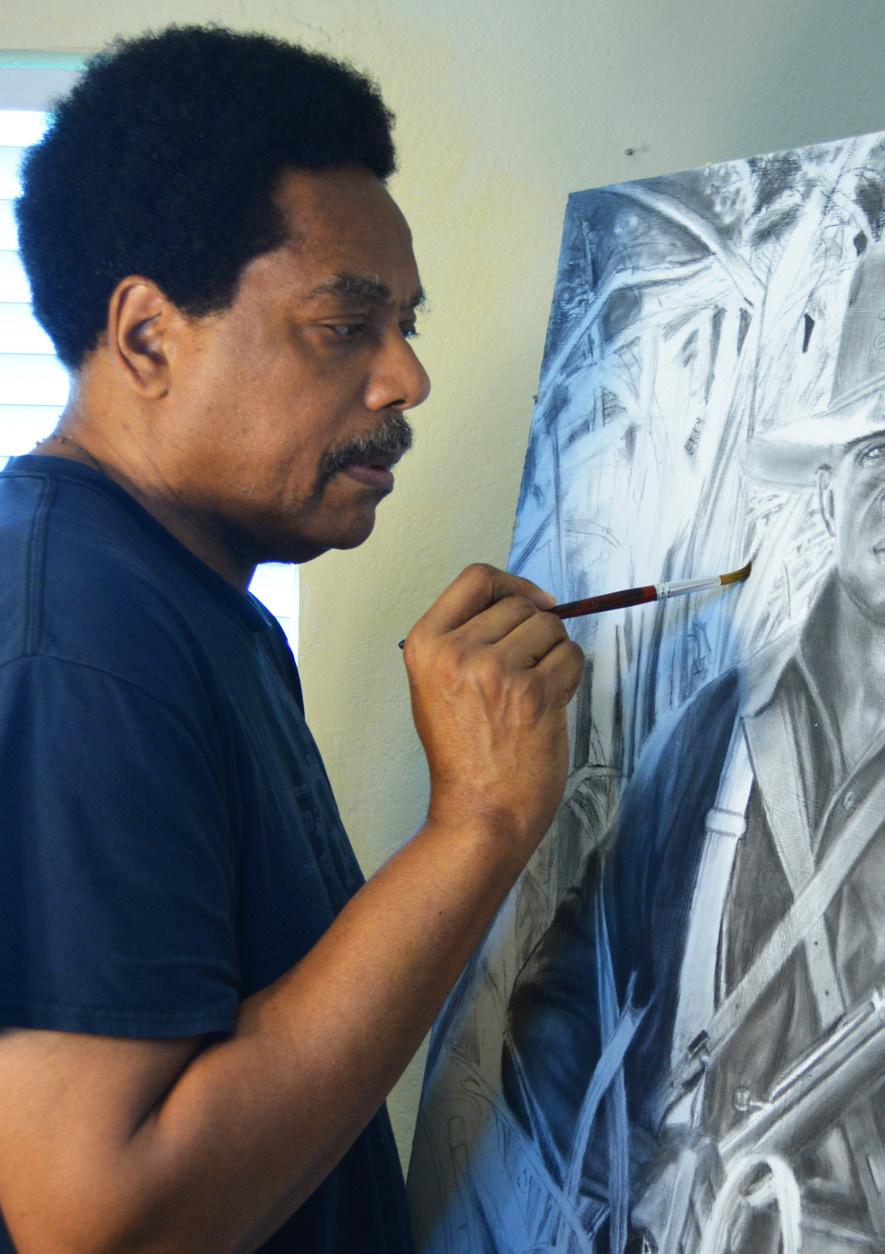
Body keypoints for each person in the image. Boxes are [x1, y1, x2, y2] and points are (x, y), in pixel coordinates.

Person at [0, 26, 584, 1254]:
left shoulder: (189, 597)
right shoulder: (77, 635)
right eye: (345, 324)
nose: (407, 379)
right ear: (148, 337)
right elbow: (103, 1221)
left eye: (406, 323)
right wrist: (477, 825)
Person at [503, 245, 885, 1252]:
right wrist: (628, 1182)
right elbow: (560, 1005)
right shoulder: (719, 732)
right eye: (876, 453)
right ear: (828, 491)